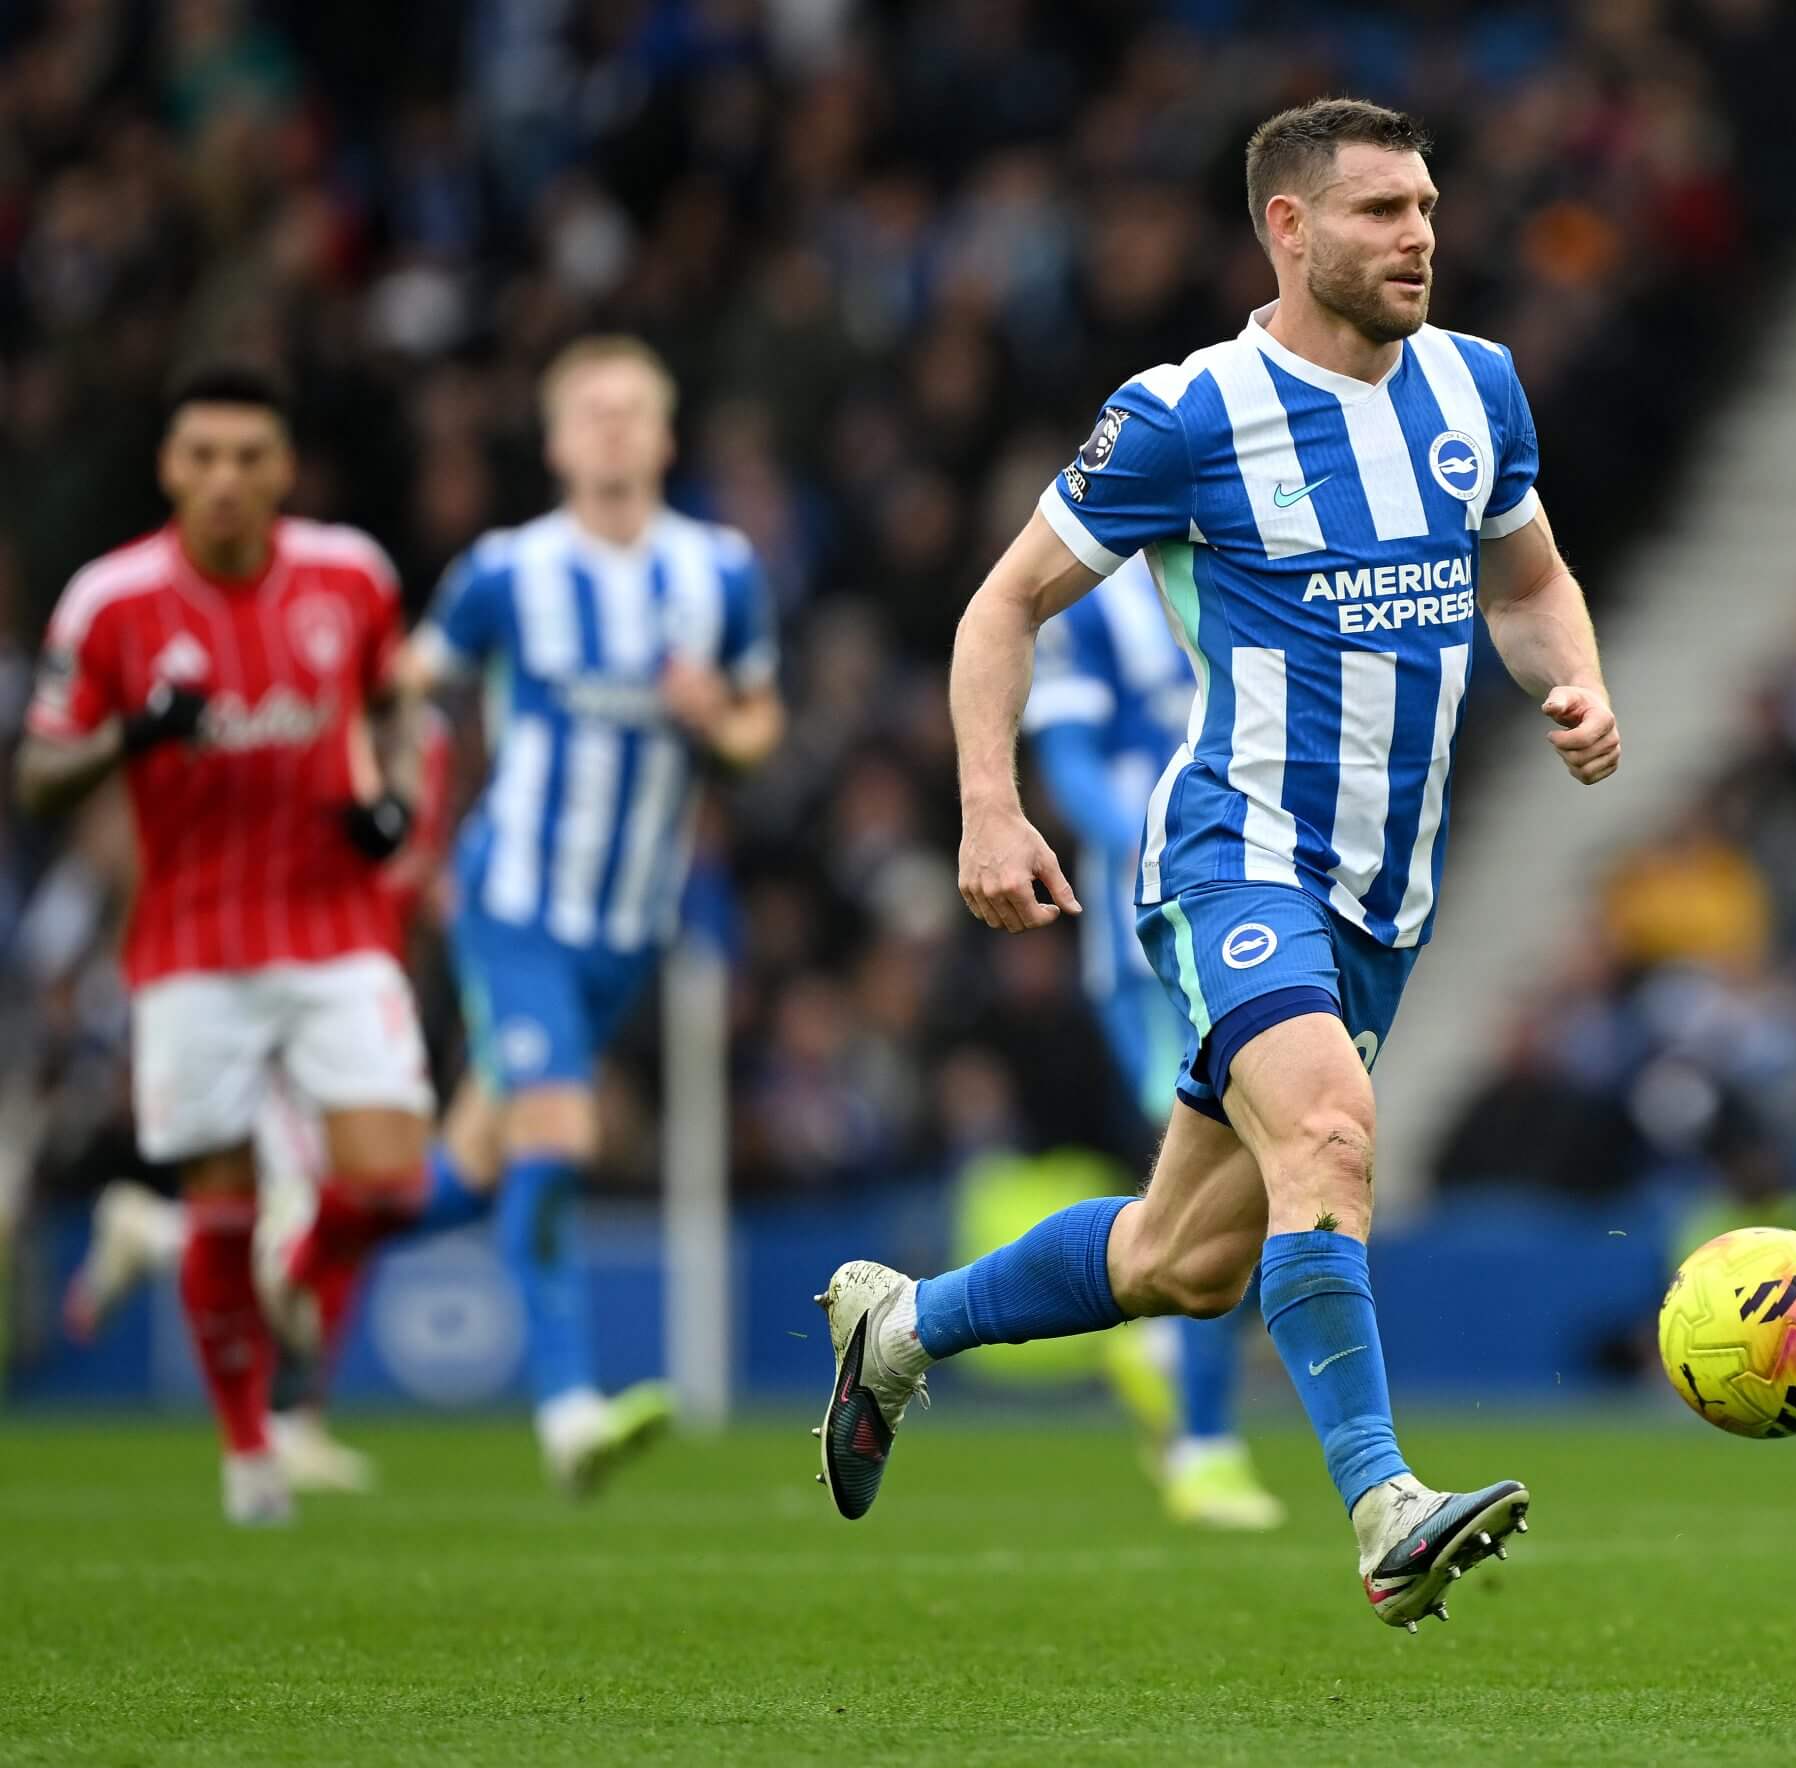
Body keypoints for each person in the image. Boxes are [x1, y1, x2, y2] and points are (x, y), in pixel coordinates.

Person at [814, 99, 1620, 1630]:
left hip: (1388, 898)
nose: (1421, 236)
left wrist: (1570, 681)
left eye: (1429, 206)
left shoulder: (1478, 388)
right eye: (1382, 210)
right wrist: (991, 809)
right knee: (1332, 1130)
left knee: (1183, 1260)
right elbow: (1002, 610)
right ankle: (1385, 1506)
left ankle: (902, 1329)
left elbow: (1530, 581)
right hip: (1235, 860)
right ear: (1289, 229)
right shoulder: (1187, 414)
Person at [16, 365, 436, 1526]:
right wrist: (129, 734)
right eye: (202, 456)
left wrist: (393, 800)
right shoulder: (110, 602)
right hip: (191, 942)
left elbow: (398, 699)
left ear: (283, 469)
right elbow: (40, 773)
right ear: (169, 468)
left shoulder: (350, 575)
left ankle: (286, 1277)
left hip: (333, 921)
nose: (225, 480)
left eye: (249, 457)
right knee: (223, 1198)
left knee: (394, 1180)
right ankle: (251, 1455)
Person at [395, 336, 784, 1494]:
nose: (613, 429)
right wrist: (408, 837)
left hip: (628, 927)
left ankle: (242, 1239)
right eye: (591, 413)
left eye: (633, 411)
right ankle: (568, 1411)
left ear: (664, 438)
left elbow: (761, 730)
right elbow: (407, 691)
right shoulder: (506, 572)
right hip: (513, 906)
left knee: (465, 1175)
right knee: (557, 1137)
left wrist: (716, 718)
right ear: (559, 441)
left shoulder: (718, 571)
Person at [61, 706, 496, 1493]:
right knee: (312, 1211)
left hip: (353, 986)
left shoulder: (410, 733)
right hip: (283, 987)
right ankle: (285, 1425)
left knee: (339, 1213)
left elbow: (406, 857)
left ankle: (157, 1236)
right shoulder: (291, 715)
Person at [1022, 556, 1286, 1531]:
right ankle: (1205, 1440)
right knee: (1232, 1173)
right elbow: (1068, 757)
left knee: (1256, 1172)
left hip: (1266, 916)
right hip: (1151, 945)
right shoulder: (1094, 599)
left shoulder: (1262, 560)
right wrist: (1148, 838)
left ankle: (1176, 1372)